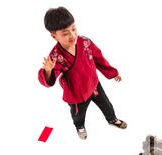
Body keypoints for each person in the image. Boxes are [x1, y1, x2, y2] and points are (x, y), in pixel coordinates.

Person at [38, 7, 127, 140]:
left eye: (74, 29)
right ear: (54, 36)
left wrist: (113, 73)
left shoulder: (85, 42)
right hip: (76, 93)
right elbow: (51, 77)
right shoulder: (56, 56)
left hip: (94, 84)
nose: (72, 36)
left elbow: (99, 58)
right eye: (65, 33)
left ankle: (112, 119)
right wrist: (48, 70)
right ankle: (79, 126)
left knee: (106, 105)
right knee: (78, 114)